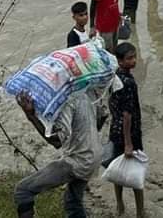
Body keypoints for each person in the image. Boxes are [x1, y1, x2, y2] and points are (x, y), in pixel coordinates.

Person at [14, 89, 98, 218]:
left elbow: (57, 141)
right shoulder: (85, 93)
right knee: (73, 203)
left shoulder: (67, 100)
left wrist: (31, 115)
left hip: (77, 161)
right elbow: (101, 117)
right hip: (92, 156)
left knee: (22, 191)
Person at [109, 41, 146, 218]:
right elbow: (127, 115)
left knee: (118, 170)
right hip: (129, 133)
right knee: (136, 172)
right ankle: (140, 211)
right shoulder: (129, 83)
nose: (134, 61)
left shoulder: (114, 77)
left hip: (115, 130)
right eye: (129, 58)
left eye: (134, 56)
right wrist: (129, 143)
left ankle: (120, 205)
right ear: (120, 61)